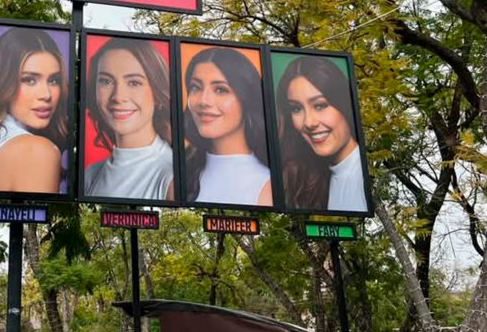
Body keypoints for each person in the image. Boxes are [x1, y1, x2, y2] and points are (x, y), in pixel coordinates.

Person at [0, 27, 69, 193]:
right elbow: (34, 219)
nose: (46, 95)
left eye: (54, 80)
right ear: (3, 82)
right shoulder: (36, 150)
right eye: (29, 80)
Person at [85, 37, 175, 200]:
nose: (118, 97)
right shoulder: (90, 175)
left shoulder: (172, 177)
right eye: (106, 81)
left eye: (134, 83)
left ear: (157, 92)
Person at [276, 55, 366, 212]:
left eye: (320, 105)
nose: (309, 123)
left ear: (344, 105)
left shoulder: (365, 175)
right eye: (296, 109)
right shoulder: (314, 182)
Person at [184, 47, 272, 206]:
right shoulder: (180, 171)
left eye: (220, 90)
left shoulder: (270, 185)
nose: (204, 101)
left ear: (246, 98)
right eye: (196, 87)